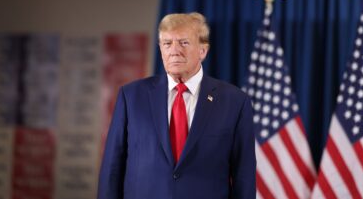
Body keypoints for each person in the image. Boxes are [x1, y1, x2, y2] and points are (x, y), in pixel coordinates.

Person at [97, 12, 256, 199]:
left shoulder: (235, 102)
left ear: (203, 51)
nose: (174, 50)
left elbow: (244, 176)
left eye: (184, 43)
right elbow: (112, 169)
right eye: (167, 43)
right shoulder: (131, 97)